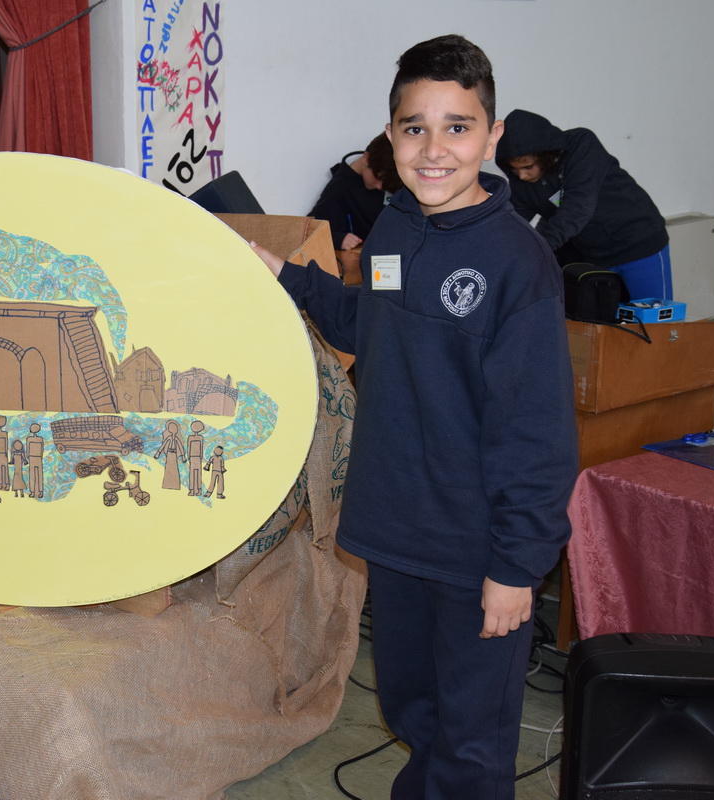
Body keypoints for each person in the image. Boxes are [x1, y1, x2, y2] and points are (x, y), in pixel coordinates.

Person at [253, 35, 578, 798]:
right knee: (412, 710)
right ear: (391, 135)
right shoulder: (395, 228)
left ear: (492, 138)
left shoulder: (518, 264)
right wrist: (285, 275)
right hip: (395, 531)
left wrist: (516, 567)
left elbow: (537, 435)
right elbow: (371, 325)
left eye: (457, 127)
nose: (435, 149)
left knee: (471, 743)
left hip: (474, 549)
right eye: (415, 128)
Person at [495, 108, 671, 300]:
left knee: (654, 316)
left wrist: (538, 251)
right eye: (515, 169)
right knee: (604, 318)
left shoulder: (582, 146)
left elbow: (577, 208)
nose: (522, 175)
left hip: (639, 244)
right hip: (593, 256)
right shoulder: (521, 182)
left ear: (545, 156)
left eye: (528, 167)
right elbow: (511, 223)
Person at [308, 132, 403, 250]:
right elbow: (309, 230)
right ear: (366, 158)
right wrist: (338, 239)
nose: (379, 187)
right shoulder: (339, 188)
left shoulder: (393, 178)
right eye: (378, 177)